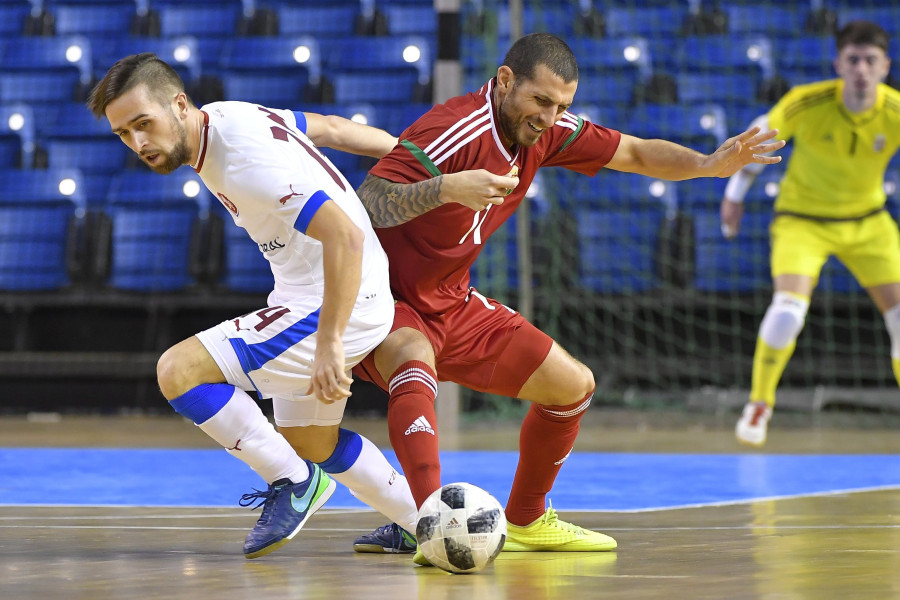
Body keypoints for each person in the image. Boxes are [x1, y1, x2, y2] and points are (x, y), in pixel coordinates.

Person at [348, 32, 784, 560]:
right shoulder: (453, 130)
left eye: (561, 106)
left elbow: (636, 153)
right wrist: (445, 188)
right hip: (378, 297)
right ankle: (426, 523)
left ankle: (527, 519)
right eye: (540, 101)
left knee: (572, 386)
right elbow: (368, 204)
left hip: (451, 300)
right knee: (414, 362)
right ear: (505, 81)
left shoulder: (548, 131)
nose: (550, 117)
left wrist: (708, 165)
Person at [88, 53, 419, 559]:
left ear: (179, 105)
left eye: (143, 124)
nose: (138, 143)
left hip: (335, 298)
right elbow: (329, 128)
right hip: (331, 292)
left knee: (179, 371)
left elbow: (346, 238)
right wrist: (415, 158)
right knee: (312, 440)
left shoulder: (242, 162)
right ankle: (423, 523)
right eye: (124, 134)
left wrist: (330, 342)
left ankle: (294, 483)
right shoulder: (226, 114)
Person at [721, 20, 900, 446]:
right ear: (838, 63)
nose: (861, 68)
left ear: (885, 66)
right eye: (853, 59)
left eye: (870, 60)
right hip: (802, 221)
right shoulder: (807, 103)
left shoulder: (894, 111)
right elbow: (758, 139)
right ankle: (759, 404)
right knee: (787, 312)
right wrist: (735, 194)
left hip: (868, 222)